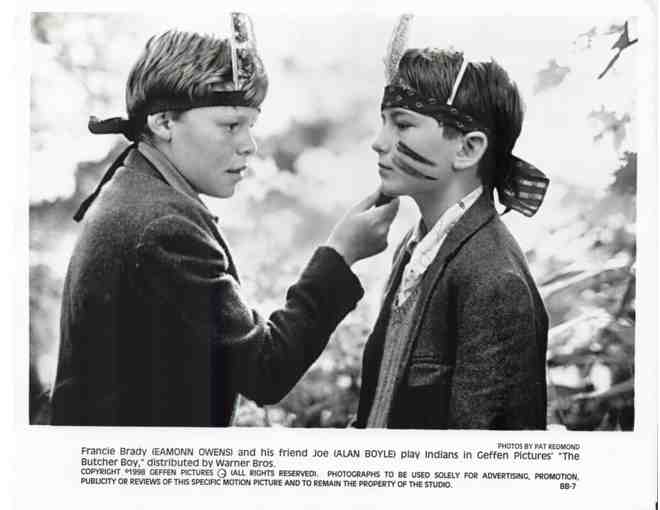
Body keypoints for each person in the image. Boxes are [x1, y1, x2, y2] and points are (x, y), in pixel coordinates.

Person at [50, 15, 399, 426]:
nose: (249, 145)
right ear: (163, 122)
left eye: (251, 125)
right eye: (231, 125)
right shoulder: (161, 228)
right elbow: (266, 369)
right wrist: (341, 256)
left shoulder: (136, 189)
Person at [354, 17, 550, 429]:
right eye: (384, 121)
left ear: (468, 148)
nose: (378, 141)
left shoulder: (494, 280)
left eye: (402, 124)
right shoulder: (415, 246)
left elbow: (475, 453)